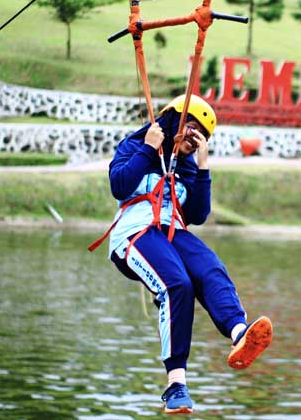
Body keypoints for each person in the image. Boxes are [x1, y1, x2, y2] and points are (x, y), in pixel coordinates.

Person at [96, 94, 273, 414]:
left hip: (173, 232)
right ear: (172, 120)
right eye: (190, 130)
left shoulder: (188, 165)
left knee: (210, 268)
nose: (193, 141)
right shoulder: (137, 145)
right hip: (136, 234)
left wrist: (202, 165)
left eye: (200, 138)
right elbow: (120, 185)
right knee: (178, 284)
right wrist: (150, 147)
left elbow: (197, 213)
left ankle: (239, 333)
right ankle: (176, 383)